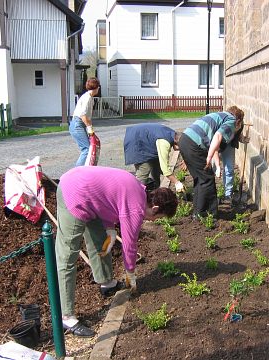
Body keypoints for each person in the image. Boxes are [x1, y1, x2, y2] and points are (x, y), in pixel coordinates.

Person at [55, 166, 178, 337]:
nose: (153, 220)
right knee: (68, 255)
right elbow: (129, 245)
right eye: (157, 218)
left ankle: (107, 283)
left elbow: (107, 199)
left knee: (100, 240)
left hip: (88, 192)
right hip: (74, 192)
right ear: (155, 208)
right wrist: (130, 274)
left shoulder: (139, 191)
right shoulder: (136, 208)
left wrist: (109, 227)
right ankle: (66, 316)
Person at [178, 106, 244, 218]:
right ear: (238, 121)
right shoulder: (231, 121)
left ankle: (198, 212)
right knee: (207, 179)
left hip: (185, 140)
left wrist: (217, 166)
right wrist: (209, 157)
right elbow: (217, 137)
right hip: (194, 144)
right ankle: (206, 214)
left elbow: (215, 146)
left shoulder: (220, 116)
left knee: (200, 179)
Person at [124, 123, 184, 192]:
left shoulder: (172, 135)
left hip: (145, 140)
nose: (179, 150)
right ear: (176, 142)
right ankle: (136, 195)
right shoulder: (164, 142)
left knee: (156, 166)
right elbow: (165, 169)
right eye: (180, 148)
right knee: (144, 169)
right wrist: (177, 182)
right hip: (137, 141)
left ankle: (155, 192)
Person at [213, 124, 249, 204]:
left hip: (229, 145)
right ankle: (211, 195)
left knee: (229, 169)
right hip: (215, 143)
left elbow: (238, 136)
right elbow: (214, 150)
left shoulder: (239, 125)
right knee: (211, 168)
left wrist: (243, 139)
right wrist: (218, 167)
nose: (236, 128)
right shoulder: (223, 125)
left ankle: (228, 195)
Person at [69, 77, 100, 167]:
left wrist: (91, 130)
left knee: (89, 148)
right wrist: (89, 128)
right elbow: (83, 116)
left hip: (80, 124)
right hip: (77, 124)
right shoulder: (87, 98)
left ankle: (85, 169)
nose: (98, 89)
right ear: (96, 87)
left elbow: (88, 117)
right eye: (98, 87)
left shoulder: (89, 97)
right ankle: (77, 172)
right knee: (86, 149)